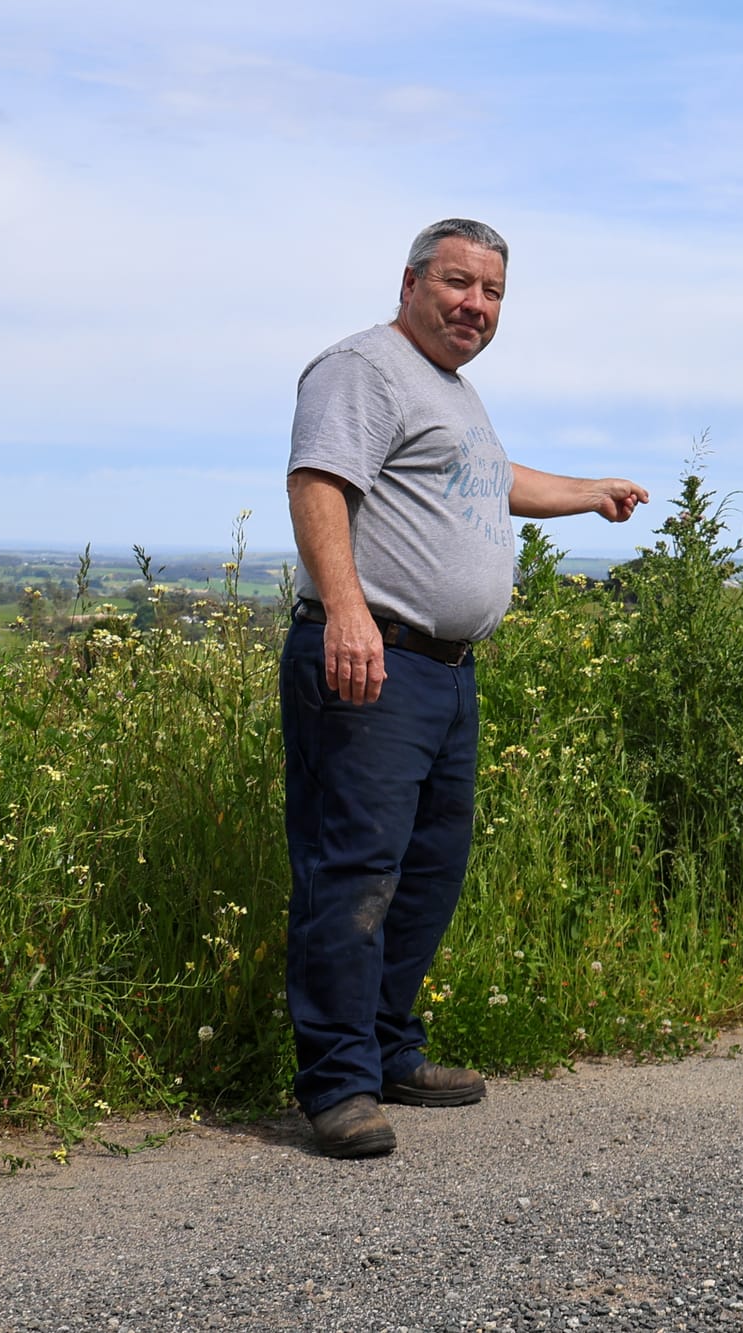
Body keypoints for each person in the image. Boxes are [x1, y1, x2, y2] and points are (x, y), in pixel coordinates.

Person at [281, 218, 649, 1158]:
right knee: (356, 869)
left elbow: (492, 482)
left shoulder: (453, 393)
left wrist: (589, 491)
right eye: (457, 284)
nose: (474, 306)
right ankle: (337, 1085)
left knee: (429, 872)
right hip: (373, 657)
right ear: (410, 282)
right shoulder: (362, 369)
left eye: (490, 294)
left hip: (443, 674)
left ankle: (390, 1048)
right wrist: (347, 613)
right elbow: (319, 483)